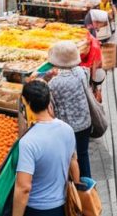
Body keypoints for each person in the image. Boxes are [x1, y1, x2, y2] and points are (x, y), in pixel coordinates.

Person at [14, 80, 78, 216]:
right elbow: (73, 162)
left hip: (36, 209)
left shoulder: (28, 142)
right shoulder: (67, 129)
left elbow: (24, 187)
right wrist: (77, 190)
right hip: (61, 205)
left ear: (27, 104)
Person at [46, 42, 93, 179]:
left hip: (67, 127)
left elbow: (51, 106)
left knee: (70, 158)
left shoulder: (54, 83)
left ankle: (75, 186)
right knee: (83, 154)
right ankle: (88, 187)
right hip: (85, 122)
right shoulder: (82, 72)